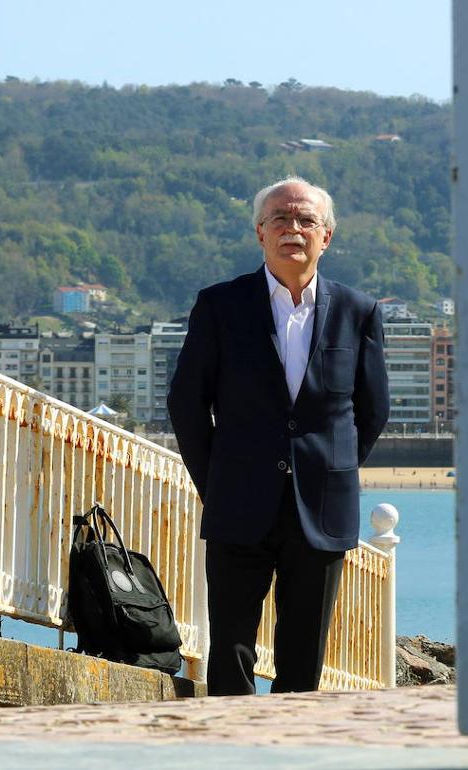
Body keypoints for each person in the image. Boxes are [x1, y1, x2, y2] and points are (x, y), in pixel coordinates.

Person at [168, 176, 390, 695]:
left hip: (322, 506)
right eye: (280, 219)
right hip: (237, 499)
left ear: (326, 237)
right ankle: (232, 739)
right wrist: (215, 482)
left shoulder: (359, 311)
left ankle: (294, 739)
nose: (293, 228)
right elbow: (187, 403)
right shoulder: (220, 306)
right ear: (260, 233)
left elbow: (372, 409)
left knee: (304, 656)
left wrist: (330, 470)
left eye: (306, 220)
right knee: (230, 651)